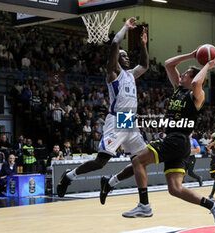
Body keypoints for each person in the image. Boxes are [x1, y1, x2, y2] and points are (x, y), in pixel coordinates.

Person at [122, 49, 215, 231]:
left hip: (177, 139)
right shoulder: (178, 90)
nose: (182, 74)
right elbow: (169, 64)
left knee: (138, 159)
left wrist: (207, 66)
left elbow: (196, 82)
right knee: (175, 188)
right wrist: (192, 54)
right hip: (177, 143)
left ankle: (144, 205)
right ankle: (213, 206)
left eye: (186, 73)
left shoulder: (196, 95)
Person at [57, 17, 149, 198]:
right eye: (123, 56)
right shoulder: (113, 74)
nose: (127, 58)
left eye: (128, 56)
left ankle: (110, 182)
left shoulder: (131, 75)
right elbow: (115, 42)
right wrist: (125, 27)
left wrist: (143, 44)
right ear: (116, 60)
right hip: (116, 119)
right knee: (101, 162)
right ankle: (68, 176)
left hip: (129, 120)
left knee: (141, 161)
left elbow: (145, 65)